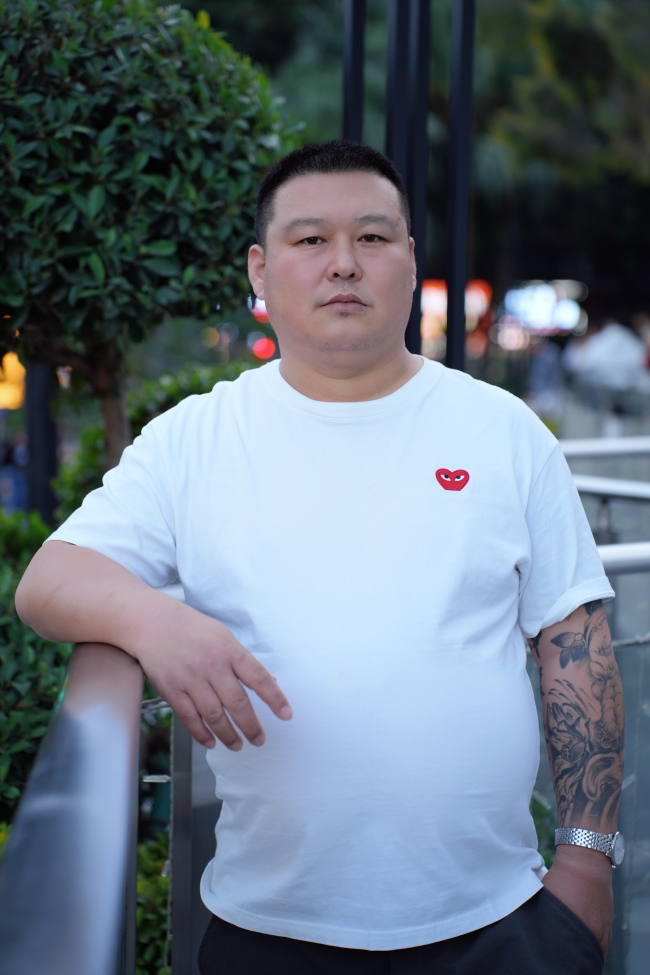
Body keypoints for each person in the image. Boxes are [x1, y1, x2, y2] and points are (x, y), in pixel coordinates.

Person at [16, 141, 623, 975]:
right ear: (260, 271)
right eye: (311, 240)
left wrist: (587, 859)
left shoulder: (504, 431)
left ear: (410, 259)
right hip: (271, 930)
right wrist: (153, 620)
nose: (344, 263)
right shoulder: (199, 438)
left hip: (500, 924)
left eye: (372, 237)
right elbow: (49, 580)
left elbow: (575, 640)